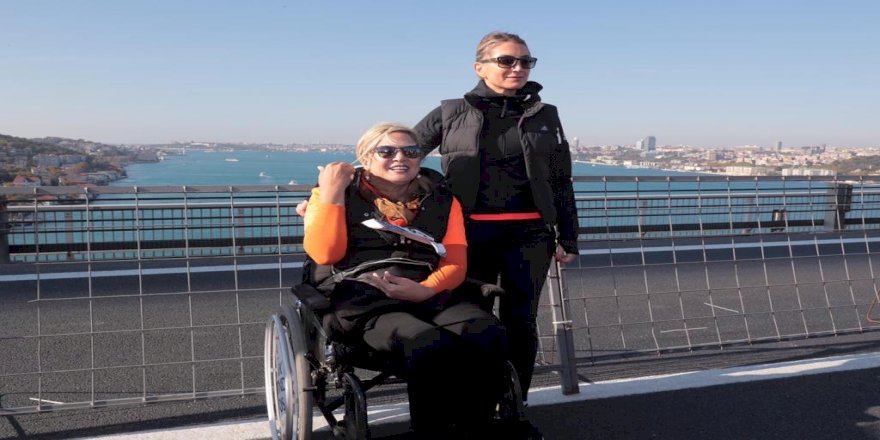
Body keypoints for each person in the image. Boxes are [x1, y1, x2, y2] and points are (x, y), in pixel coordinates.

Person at [302, 122, 508, 438]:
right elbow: (326, 253)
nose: (400, 157)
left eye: (411, 151)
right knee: (426, 342)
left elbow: (455, 263)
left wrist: (424, 290)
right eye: (386, 151)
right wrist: (330, 192)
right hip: (366, 301)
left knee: (487, 332)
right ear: (365, 157)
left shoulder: (443, 200)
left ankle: (476, 427)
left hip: (428, 292)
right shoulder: (335, 193)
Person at [412, 31, 580, 399]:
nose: (518, 68)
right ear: (480, 67)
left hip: (531, 235)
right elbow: (399, 155)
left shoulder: (545, 114)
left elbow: (560, 179)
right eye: (507, 60)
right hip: (469, 236)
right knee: (471, 318)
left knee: (521, 321)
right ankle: (475, 402)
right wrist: (331, 191)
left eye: (526, 61)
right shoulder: (450, 112)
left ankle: (514, 403)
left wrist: (568, 237)